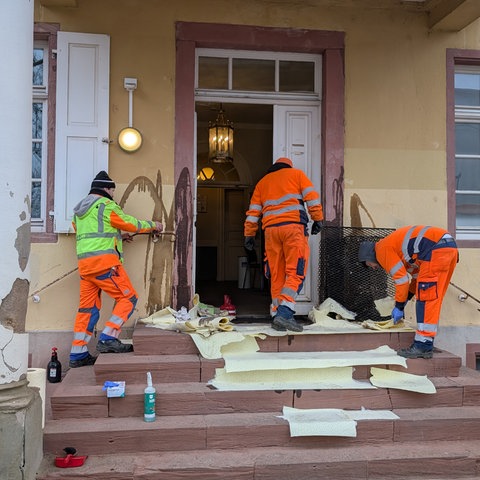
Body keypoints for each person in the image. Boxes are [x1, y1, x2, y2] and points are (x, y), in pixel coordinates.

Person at [69, 171, 163, 368]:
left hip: (86, 267)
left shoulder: (79, 211)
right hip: (105, 265)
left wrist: (119, 237)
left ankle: (78, 354)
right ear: (106, 189)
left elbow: (94, 235)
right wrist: (153, 225)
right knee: (128, 298)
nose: (114, 194)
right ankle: (108, 338)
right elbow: (130, 222)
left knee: (88, 309)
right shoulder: (106, 205)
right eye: (113, 190)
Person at [244, 157, 324, 332]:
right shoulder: (296, 175)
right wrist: (318, 219)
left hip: (271, 232)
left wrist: (249, 234)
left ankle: (276, 313)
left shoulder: (262, 183)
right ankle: (285, 313)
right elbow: (311, 198)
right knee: (296, 271)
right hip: (293, 228)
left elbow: (253, 212)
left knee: (277, 273)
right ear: (289, 166)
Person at [358, 225, 459, 359]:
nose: (373, 268)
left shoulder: (381, 251)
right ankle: (427, 342)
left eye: (369, 264)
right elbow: (416, 280)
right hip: (447, 248)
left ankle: (422, 346)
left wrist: (399, 306)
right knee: (433, 298)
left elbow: (401, 280)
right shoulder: (399, 251)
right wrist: (405, 299)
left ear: (369, 255)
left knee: (426, 298)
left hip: (434, 250)